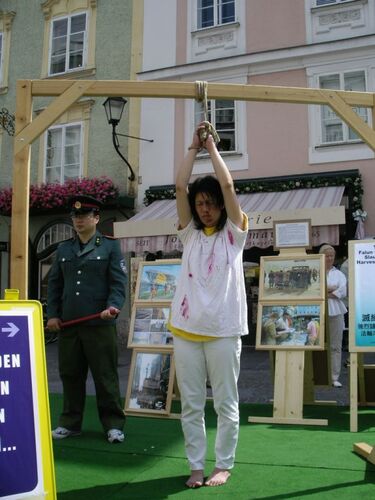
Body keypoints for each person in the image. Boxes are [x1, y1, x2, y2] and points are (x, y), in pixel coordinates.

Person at [168, 122, 248, 488]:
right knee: (191, 405)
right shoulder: (189, 236)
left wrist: (212, 148)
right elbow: (180, 186)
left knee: (226, 403)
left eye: (211, 203)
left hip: (223, 331)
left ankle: (224, 463)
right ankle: (196, 466)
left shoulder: (234, 236)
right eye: (200, 204)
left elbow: (229, 185)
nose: (205, 209)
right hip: (185, 331)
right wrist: (192, 147)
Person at [46, 195, 127, 443]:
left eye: (84, 216)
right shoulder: (63, 249)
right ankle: (70, 423)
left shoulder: (110, 247)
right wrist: (53, 315)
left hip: (99, 325)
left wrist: (113, 306)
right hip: (69, 326)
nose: (78, 220)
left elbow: (118, 283)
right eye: (75, 216)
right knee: (70, 375)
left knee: (105, 377)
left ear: (96, 218)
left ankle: (113, 425)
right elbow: (54, 285)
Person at [319, 244, 347, 388]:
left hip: (336, 312)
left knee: (335, 345)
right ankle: (317, 375)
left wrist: (326, 291)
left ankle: (334, 376)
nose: (329, 258)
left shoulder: (339, 274)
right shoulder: (315, 271)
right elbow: (314, 289)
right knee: (316, 344)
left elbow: (342, 292)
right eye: (327, 255)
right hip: (318, 312)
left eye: (331, 255)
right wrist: (331, 289)